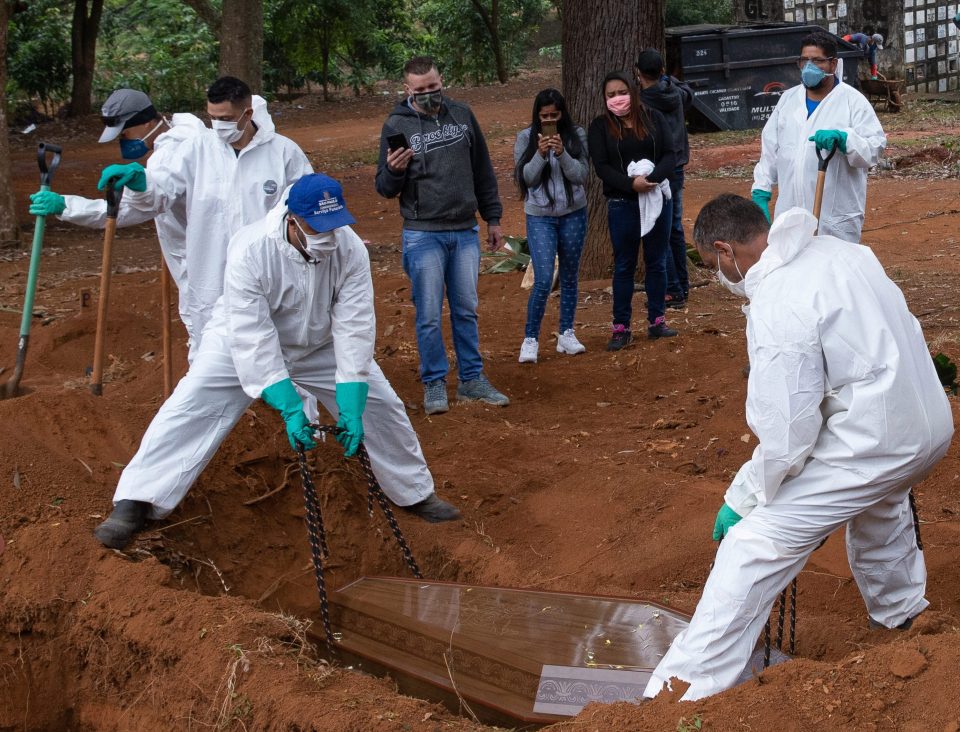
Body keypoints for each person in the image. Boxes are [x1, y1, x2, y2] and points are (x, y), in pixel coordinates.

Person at [644, 194, 953, 701]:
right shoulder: (841, 252)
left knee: (755, 544)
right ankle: (902, 614)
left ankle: (682, 687)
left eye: (712, 267)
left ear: (725, 250)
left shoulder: (779, 301)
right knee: (879, 502)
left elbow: (788, 435)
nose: (719, 278)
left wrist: (743, 498)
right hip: (924, 423)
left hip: (876, 439)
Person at [93, 174, 462, 550]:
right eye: (316, 227)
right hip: (238, 338)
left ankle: (414, 492)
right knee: (193, 403)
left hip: (319, 342)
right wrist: (288, 405)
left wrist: (350, 400)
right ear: (291, 220)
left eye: (334, 226)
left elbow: (355, 324)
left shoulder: (350, 250)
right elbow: (253, 335)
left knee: (382, 407)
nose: (328, 236)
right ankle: (136, 500)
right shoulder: (251, 249)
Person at [95, 76, 314, 361]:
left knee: (280, 350)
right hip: (211, 275)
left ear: (247, 113)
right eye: (212, 118)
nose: (218, 126)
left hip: (270, 274)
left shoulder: (284, 152)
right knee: (211, 355)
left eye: (225, 118)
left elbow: (306, 209)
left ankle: (286, 402)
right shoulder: (196, 150)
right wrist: (142, 184)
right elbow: (162, 192)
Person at [375, 56, 509, 415]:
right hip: (423, 234)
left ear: (441, 81)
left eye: (433, 88)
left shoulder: (462, 115)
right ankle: (434, 382)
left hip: (465, 229)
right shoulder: (396, 124)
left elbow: (483, 169)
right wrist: (394, 171)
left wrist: (492, 218)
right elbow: (384, 188)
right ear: (407, 90)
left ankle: (471, 380)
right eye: (420, 91)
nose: (428, 95)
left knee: (466, 309)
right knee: (430, 313)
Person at [27, 88, 207, 340]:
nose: (123, 141)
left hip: (201, 266)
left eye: (125, 133)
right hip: (198, 256)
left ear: (147, 123)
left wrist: (65, 206)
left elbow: (135, 207)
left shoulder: (169, 155)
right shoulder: (193, 136)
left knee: (209, 342)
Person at [752, 32, 886, 244]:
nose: (809, 67)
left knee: (835, 273)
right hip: (791, 211)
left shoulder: (852, 102)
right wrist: (761, 190)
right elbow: (770, 149)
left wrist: (845, 140)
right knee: (791, 271)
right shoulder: (788, 100)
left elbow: (874, 148)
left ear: (833, 65)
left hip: (834, 217)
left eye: (817, 61)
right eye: (804, 60)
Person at [587, 71, 677, 350]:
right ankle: (621, 327)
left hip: (657, 199)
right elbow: (602, 167)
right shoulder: (600, 127)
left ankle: (656, 321)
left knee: (657, 261)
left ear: (633, 91)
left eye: (621, 92)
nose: (617, 99)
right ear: (604, 99)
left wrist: (651, 180)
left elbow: (669, 155)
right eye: (610, 95)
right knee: (624, 265)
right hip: (622, 203)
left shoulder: (653, 118)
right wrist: (630, 184)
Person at [513, 88, 589, 364]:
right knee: (544, 279)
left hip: (573, 213)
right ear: (537, 116)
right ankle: (530, 338)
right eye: (544, 116)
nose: (549, 121)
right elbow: (527, 179)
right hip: (540, 215)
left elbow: (581, 176)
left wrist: (563, 152)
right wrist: (541, 154)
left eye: (554, 115)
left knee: (570, 274)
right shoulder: (525, 138)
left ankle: (567, 333)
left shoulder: (576, 135)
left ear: (562, 114)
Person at [635, 49, 693, 310]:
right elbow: (687, 93)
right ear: (661, 71)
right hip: (678, 164)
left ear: (638, 73)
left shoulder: (644, 100)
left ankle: (672, 290)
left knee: (660, 228)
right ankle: (682, 284)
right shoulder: (676, 92)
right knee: (675, 228)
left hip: (659, 168)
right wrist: (669, 79)